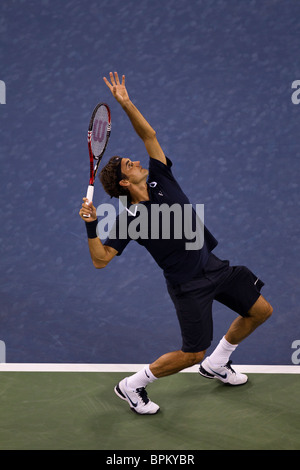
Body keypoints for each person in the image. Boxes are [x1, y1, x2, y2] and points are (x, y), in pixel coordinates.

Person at [79, 72, 273, 415]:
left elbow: (149, 134)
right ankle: (133, 384)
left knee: (260, 311)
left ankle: (219, 363)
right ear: (125, 181)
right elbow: (100, 259)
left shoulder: (161, 178)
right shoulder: (129, 220)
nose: (138, 161)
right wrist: (91, 227)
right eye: (130, 164)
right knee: (191, 353)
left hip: (214, 267)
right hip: (189, 287)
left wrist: (126, 103)